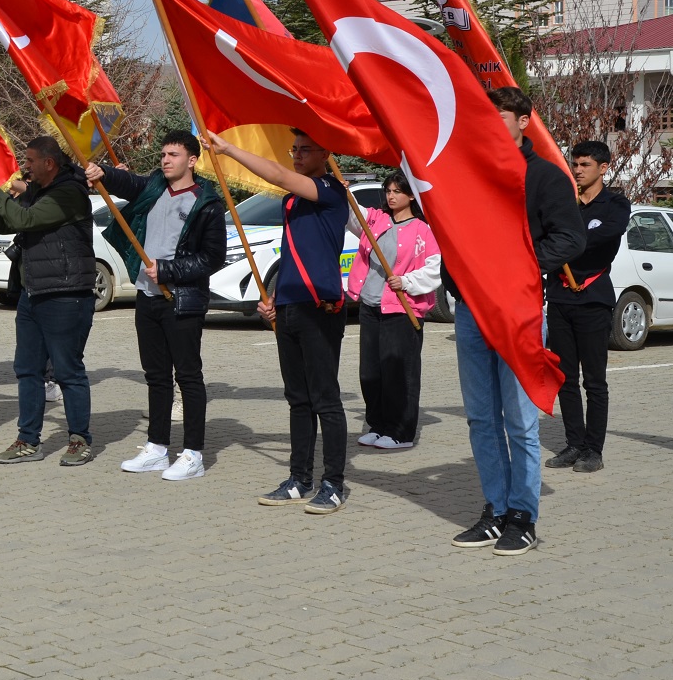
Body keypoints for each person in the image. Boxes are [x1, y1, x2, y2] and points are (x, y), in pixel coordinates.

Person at [449, 87, 585, 556]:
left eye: (499, 116)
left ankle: (523, 516)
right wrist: (459, 282)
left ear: (524, 121)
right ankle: (495, 510)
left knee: (520, 423)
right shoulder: (467, 172)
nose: (489, 124)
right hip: (472, 312)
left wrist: (517, 272)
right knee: (481, 418)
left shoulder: (545, 177)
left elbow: (570, 239)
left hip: (519, 311)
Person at [204, 127, 351, 514]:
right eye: (295, 149)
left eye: (306, 149)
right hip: (290, 307)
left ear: (326, 154)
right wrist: (274, 301)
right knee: (297, 399)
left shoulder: (334, 193)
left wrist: (229, 149)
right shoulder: (291, 204)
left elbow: (278, 174)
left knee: (325, 399)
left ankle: (333, 483)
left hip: (322, 308)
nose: (297, 155)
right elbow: (294, 253)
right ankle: (299, 478)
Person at [87, 131, 227, 480]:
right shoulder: (154, 187)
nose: (165, 160)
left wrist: (169, 269)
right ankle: (157, 448)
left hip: (181, 300)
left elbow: (212, 258)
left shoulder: (207, 202)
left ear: (192, 160)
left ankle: (193, 453)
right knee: (156, 376)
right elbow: (127, 182)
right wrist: (101, 171)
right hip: (147, 297)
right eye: (163, 154)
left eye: (174, 155)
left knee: (189, 377)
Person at [0, 136, 97, 466]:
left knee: (68, 372)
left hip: (66, 296)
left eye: (29, 161)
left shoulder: (69, 193)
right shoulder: (38, 191)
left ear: (49, 163)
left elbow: (22, 220)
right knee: (28, 371)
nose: (25, 166)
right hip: (33, 294)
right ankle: (28, 440)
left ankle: (79, 439)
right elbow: (3, 222)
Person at [545, 140, 629, 474]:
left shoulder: (615, 204)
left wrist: (569, 239)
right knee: (564, 377)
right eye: (575, 164)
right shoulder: (564, 203)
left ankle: (593, 449)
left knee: (594, 381)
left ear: (603, 168)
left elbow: (608, 234)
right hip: (561, 296)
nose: (577, 170)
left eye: (584, 165)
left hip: (593, 298)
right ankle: (573, 443)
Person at [346, 172, 442, 451]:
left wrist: (407, 282)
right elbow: (353, 214)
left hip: (402, 309)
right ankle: (378, 425)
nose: (391, 196)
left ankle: (401, 431)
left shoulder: (423, 230)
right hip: (370, 306)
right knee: (370, 373)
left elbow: (435, 268)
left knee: (399, 372)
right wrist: (344, 192)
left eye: (397, 191)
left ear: (411, 195)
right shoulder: (375, 219)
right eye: (388, 190)